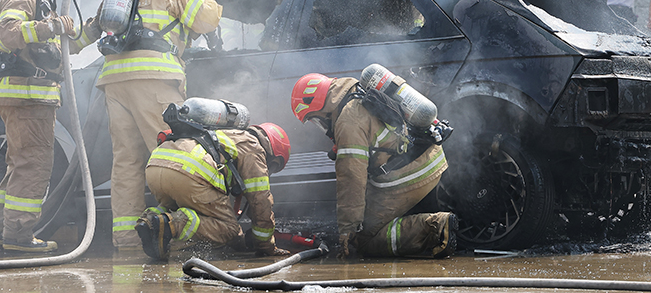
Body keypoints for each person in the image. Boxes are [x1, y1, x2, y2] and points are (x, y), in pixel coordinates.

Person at [95, 0, 222, 249]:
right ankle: (174, 231)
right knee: (170, 158)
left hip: (114, 79)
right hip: (154, 79)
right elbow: (206, 20)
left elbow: (96, 25)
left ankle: (126, 238)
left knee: (126, 161)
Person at [0, 0, 101, 253]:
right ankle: (20, 236)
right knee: (34, 165)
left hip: (30, 97)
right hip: (28, 97)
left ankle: (4, 229)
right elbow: (9, 33)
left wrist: (92, 28)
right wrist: (52, 26)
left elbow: (61, 50)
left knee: (20, 165)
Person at [290, 73, 455, 258]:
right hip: (431, 154)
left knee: (364, 238)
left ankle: (435, 228)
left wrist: (348, 229)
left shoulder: (347, 122)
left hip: (413, 172)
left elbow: (351, 179)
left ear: (323, 107)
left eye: (316, 119)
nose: (321, 125)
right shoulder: (354, 89)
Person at [136, 121, 291, 260]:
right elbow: (260, 200)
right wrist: (264, 246)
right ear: (274, 156)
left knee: (175, 208)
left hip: (155, 165)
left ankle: (151, 221)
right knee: (229, 229)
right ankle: (173, 224)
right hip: (189, 172)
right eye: (274, 167)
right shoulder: (253, 147)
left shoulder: (227, 134)